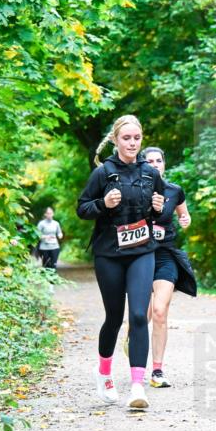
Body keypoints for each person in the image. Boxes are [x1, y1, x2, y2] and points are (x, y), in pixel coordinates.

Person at [77, 115, 165, 410]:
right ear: (115, 140)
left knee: (139, 315)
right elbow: (83, 208)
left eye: (137, 138)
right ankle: (103, 373)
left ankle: (138, 385)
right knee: (114, 318)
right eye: (126, 138)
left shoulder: (150, 173)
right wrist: (104, 204)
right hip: (109, 254)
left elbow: (161, 209)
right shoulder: (103, 173)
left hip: (142, 251)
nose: (132, 143)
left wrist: (158, 208)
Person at [143, 147, 197, 388]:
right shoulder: (136, 189)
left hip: (165, 255)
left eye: (158, 160)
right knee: (140, 316)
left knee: (159, 311)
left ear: (164, 164)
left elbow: (184, 217)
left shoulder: (175, 191)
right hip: (140, 255)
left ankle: (157, 371)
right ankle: (132, 336)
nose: (155, 164)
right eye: (149, 161)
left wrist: (185, 220)